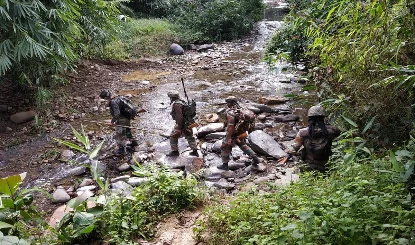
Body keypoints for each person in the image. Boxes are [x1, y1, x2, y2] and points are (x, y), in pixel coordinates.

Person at [217, 96, 265, 171]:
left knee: (225, 146)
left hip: (234, 132)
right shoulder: (241, 109)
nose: (227, 104)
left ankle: (225, 165)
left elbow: (230, 126)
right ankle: (255, 158)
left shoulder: (231, 112)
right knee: (242, 145)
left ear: (229, 103)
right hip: (242, 132)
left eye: (227, 103)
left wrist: (229, 138)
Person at [289, 105, 341, 171]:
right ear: (323, 118)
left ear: (309, 118)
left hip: (308, 167)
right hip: (327, 166)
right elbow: (345, 135)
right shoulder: (332, 131)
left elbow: (293, 150)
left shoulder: (302, 132)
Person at [99, 89, 142, 155]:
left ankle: (121, 150)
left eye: (104, 98)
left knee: (120, 135)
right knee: (128, 132)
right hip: (126, 118)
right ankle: (134, 144)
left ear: (105, 97)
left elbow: (117, 114)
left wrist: (112, 122)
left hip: (121, 120)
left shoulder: (113, 102)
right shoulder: (118, 97)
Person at [166, 90, 199, 157]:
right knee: (190, 136)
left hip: (183, 123)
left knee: (173, 136)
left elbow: (179, 117)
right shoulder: (183, 101)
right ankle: (195, 151)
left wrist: (179, 128)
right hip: (189, 122)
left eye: (170, 97)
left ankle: (175, 151)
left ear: (172, 97)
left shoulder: (177, 105)